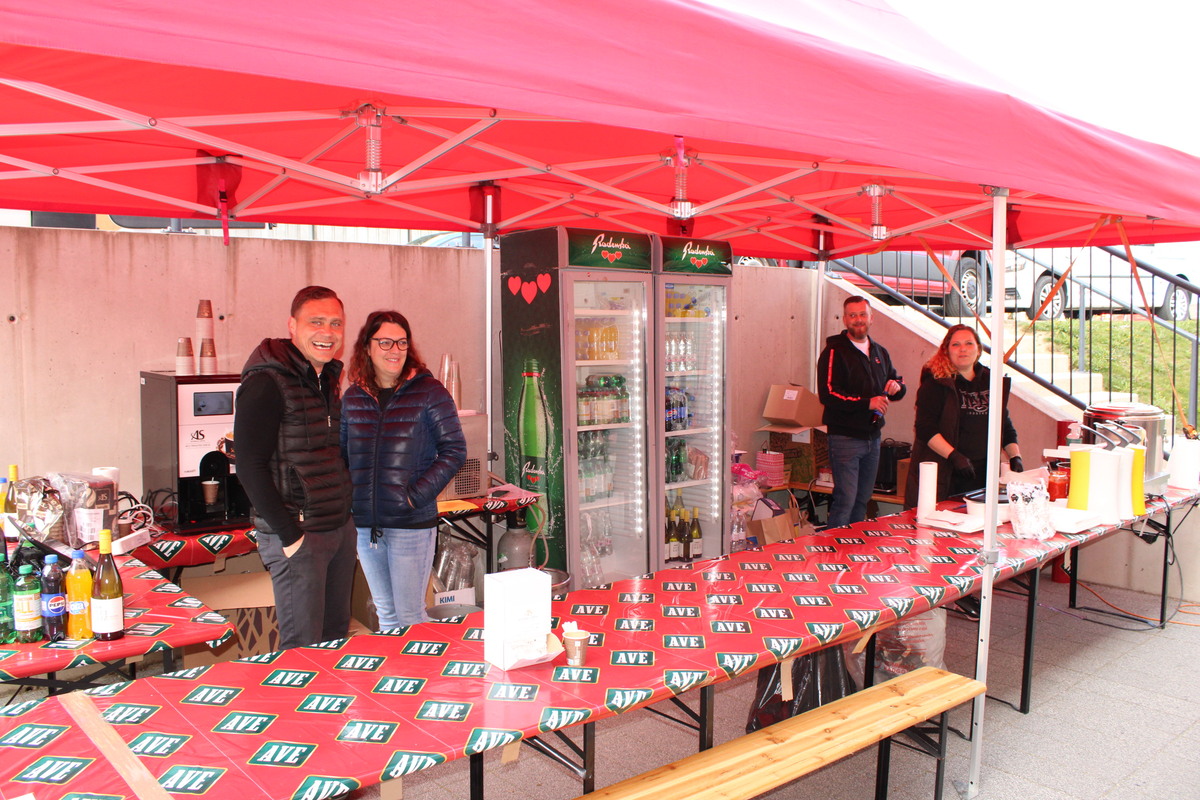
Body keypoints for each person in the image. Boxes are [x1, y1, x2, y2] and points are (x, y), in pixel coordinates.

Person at [234, 286, 356, 650]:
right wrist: (290, 537)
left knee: (335, 643)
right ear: (292, 326)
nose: (327, 332)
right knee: (303, 653)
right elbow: (249, 465)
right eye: (316, 322)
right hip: (298, 536)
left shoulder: (326, 377)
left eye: (335, 323)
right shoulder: (266, 381)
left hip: (336, 530)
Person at [341, 311, 466, 630]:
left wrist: (414, 497)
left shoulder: (429, 392)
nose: (394, 350)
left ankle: (421, 664)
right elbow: (341, 456)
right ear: (367, 347)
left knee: (410, 617)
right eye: (385, 342)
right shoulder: (353, 398)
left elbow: (454, 450)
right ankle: (395, 665)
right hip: (366, 527)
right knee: (385, 614)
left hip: (411, 524)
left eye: (401, 342)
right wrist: (351, 502)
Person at [903, 324, 1023, 509]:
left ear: (978, 349)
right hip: (946, 473)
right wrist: (954, 457)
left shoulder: (991, 380)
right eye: (956, 344)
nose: (963, 349)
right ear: (947, 350)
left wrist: (1015, 456)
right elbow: (925, 428)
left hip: (981, 474)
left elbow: (1003, 424)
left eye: (969, 343)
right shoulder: (936, 381)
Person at [816, 295, 906, 529]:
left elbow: (896, 382)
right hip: (844, 438)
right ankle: (834, 548)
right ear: (845, 319)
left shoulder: (880, 352)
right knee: (845, 501)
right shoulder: (833, 351)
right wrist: (867, 403)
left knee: (862, 500)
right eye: (853, 315)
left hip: (873, 439)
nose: (858, 320)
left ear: (871, 318)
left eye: (862, 314)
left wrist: (897, 387)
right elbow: (828, 394)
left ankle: (853, 546)